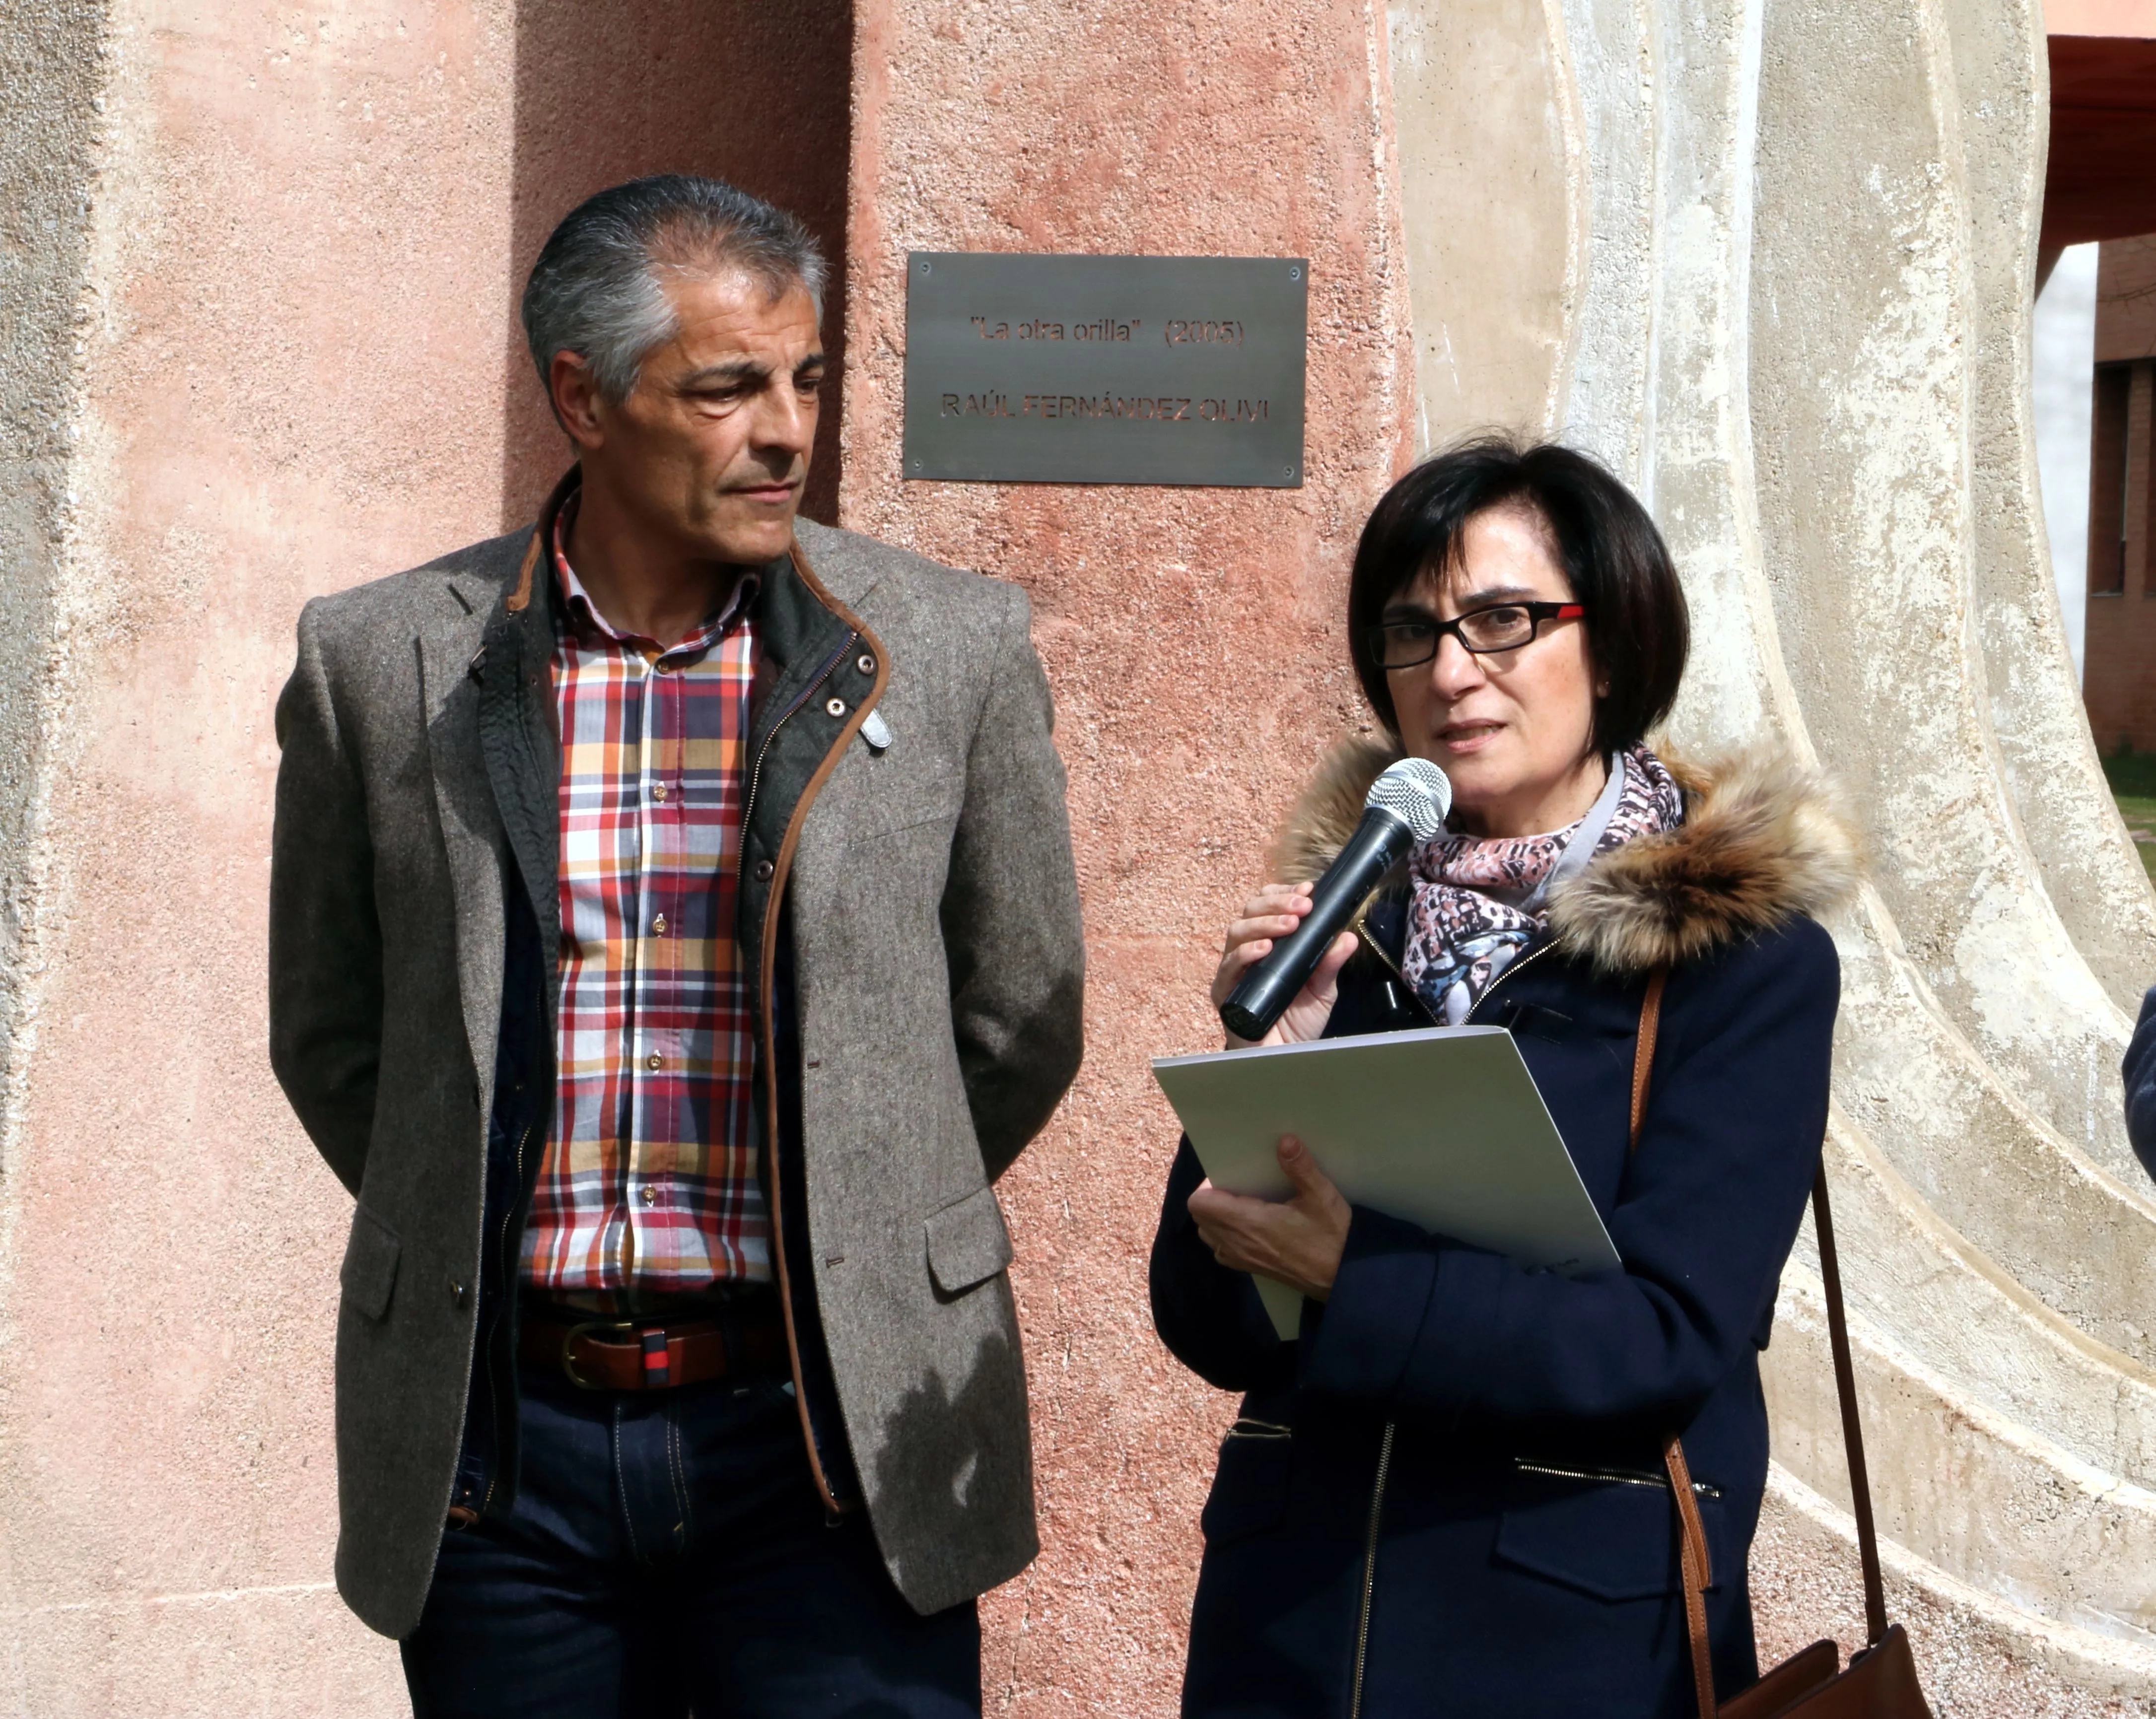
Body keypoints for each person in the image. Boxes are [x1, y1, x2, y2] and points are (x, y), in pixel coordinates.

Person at [269, 175, 1085, 1718]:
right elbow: (335, 1038)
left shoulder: (951, 645)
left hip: (835, 1437)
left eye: (806, 378)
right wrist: (467, 1209)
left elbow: (1017, 1018)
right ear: (582, 397)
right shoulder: (381, 659)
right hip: (503, 1452)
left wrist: (857, 1207)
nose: (787, 429)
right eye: (726, 387)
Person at [1150, 437, 1859, 1717]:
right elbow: (1205, 1322)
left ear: (1612, 638)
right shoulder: (1345, 922)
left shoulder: (1736, 960)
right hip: (1292, 1636)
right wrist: (1282, 1054)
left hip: (1566, 1643)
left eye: (1505, 620)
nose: (1452, 672)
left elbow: (1666, 1336)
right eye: (1413, 632)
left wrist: (1355, 1277)